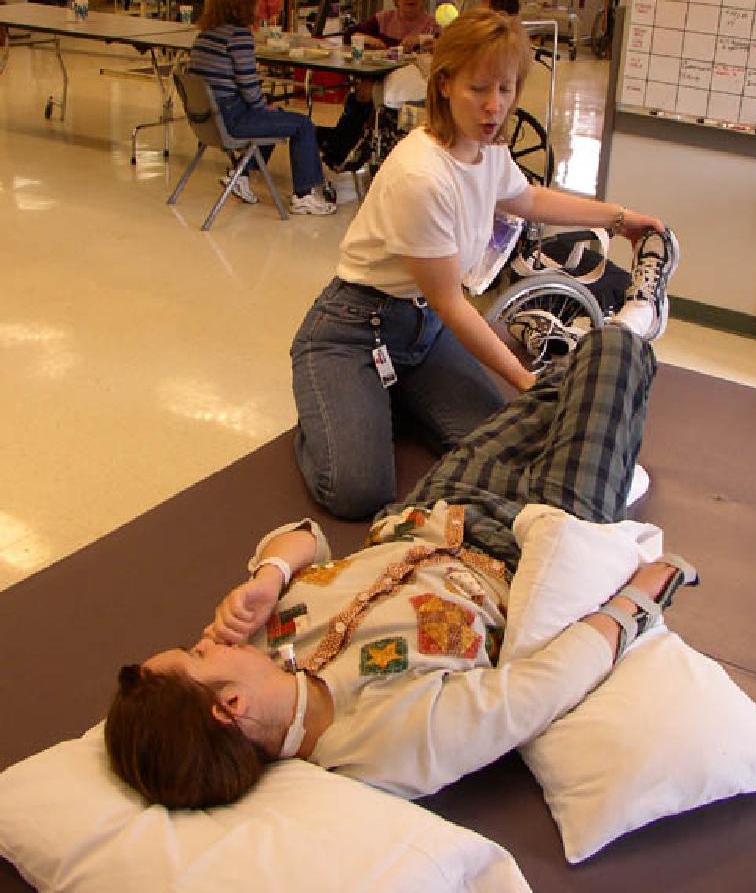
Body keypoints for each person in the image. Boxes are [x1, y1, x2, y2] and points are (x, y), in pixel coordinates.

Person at [104, 281, 698, 811]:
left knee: (562, 386)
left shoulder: (260, 644)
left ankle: (610, 445)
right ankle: (637, 327)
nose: (206, 640)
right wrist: (638, 602)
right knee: (617, 354)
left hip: (438, 502)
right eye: (198, 656)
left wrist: (269, 573)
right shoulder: (384, 742)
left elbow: (304, 537)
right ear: (229, 706)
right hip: (539, 537)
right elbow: (535, 694)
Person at [292, 8, 673, 520]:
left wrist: (620, 218)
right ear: (445, 84)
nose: (495, 107)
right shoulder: (421, 177)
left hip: (422, 331)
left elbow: (529, 200)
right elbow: (455, 304)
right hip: (354, 330)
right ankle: (336, 401)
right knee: (357, 491)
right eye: (479, 89)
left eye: (507, 89)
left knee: (508, 448)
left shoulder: (486, 151)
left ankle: (389, 396)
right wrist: (524, 380)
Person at [189, 0, 334, 215]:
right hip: (230, 119)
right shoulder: (239, 36)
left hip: (207, 119)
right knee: (302, 125)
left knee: (271, 116)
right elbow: (248, 86)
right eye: (258, 0)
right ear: (243, 4)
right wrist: (262, 107)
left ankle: (241, 176)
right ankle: (304, 195)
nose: (262, 4)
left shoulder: (206, 34)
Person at [316, 0, 439, 173]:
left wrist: (422, 40)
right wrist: (371, 40)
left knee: (368, 94)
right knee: (363, 94)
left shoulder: (431, 24)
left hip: (409, 81)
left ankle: (337, 145)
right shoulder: (383, 19)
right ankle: (340, 147)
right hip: (379, 72)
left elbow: (445, 45)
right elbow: (351, 35)